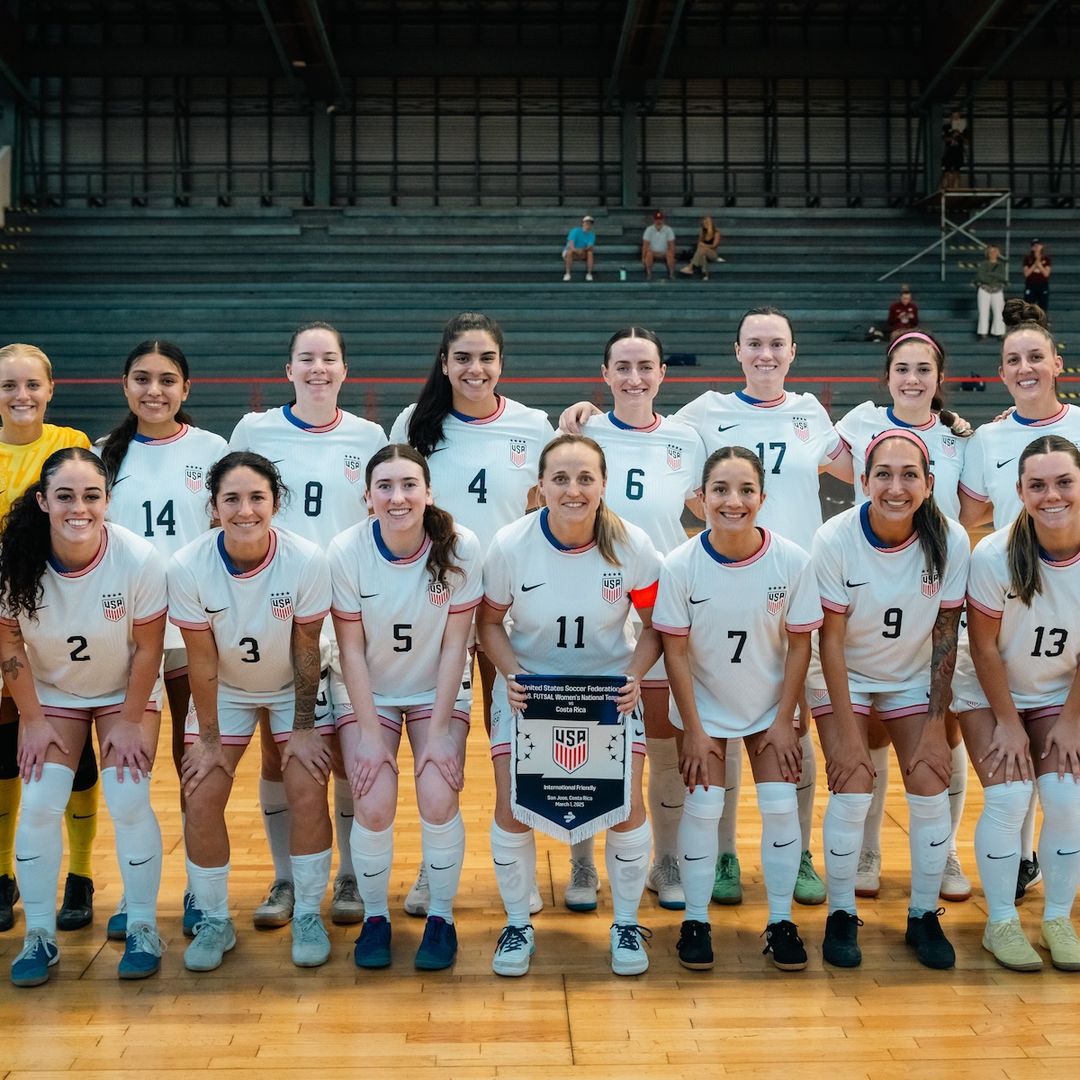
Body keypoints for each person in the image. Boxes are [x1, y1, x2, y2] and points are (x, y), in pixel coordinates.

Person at [561, 307, 846, 909]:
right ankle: (622, 861)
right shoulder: (685, 420)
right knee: (634, 733)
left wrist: (951, 424)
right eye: (622, 368)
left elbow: (869, 455)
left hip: (769, 591)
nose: (635, 378)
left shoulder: (780, 418)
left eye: (777, 344)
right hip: (634, 602)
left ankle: (763, 856)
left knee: (767, 730)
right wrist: (579, 413)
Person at [477, 434, 662, 977]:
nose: (573, 490)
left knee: (626, 807)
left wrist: (633, 677)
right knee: (513, 806)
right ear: (540, 486)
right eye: (560, 478)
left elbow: (655, 628)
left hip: (607, 695)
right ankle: (517, 924)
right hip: (529, 693)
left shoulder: (633, 546)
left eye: (585, 478)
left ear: (603, 485)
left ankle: (626, 923)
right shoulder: (511, 544)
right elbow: (489, 622)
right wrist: (511, 674)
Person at [390, 312, 554, 919]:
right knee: (437, 741)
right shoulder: (414, 423)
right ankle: (432, 869)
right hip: (436, 603)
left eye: (485, 357)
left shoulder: (532, 426)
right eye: (462, 357)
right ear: (444, 363)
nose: (474, 369)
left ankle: (520, 869)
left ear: (501, 364)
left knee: (516, 738)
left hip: (510, 605)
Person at [229, 322, 387, 933]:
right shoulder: (255, 430)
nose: (318, 368)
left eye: (329, 358)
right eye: (306, 358)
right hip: (277, 613)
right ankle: (286, 876)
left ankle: (348, 874)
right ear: (288, 369)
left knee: (344, 754)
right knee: (279, 754)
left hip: (346, 615)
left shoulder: (369, 436)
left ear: (344, 369)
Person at [0, 448, 167, 985]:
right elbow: (9, 641)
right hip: (54, 691)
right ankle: (39, 935)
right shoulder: (14, 560)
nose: (79, 508)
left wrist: (130, 720)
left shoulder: (138, 559)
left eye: (91, 496)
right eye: (65, 496)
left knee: (128, 796)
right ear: (42, 501)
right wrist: (31, 718)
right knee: (40, 802)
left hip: (124, 689)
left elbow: (149, 647)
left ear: (107, 501)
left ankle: (142, 925)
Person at [654, 447, 823, 972]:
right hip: (704, 707)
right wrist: (694, 729)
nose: (734, 500)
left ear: (762, 498)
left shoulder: (792, 561)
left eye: (746, 490)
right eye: (721, 490)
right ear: (700, 498)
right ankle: (695, 920)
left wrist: (785, 718)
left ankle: (780, 921)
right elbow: (674, 653)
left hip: (768, 706)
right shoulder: (680, 565)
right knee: (704, 807)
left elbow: (800, 645)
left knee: (780, 804)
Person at [810, 429, 969, 970]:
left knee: (930, 779)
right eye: (883, 474)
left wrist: (936, 727)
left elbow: (946, 635)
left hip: (910, 676)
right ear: (863, 481)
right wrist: (847, 736)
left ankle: (923, 915)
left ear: (929, 484)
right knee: (853, 782)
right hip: (845, 674)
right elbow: (830, 641)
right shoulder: (835, 538)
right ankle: (840, 912)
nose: (895, 487)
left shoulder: (951, 539)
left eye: (909, 476)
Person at [172, 452, 334, 972]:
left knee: (307, 788)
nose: (245, 510)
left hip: (292, 687)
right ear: (214, 507)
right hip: (226, 689)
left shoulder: (306, 559)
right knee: (200, 794)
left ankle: (307, 913)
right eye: (232, 499)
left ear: (276, 502)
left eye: (257, 497)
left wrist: (304, 728)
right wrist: (209, 739)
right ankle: (215, 920)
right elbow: (200, 660)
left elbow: (307, 647)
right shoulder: (187, 566)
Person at [329, 445, 483, 972]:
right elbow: (350, 650)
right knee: (373, 802)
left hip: (435, 689)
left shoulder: (460, 548)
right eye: (385, 487)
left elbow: (456, 645)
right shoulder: (346, 551)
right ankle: (375, 918)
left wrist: (439, 731)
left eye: (409, 485)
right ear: (367, 497)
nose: (398, 497)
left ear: (429, 492)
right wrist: (370, 736)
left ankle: (441, 918)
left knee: (438, 796)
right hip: (368, 691)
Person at [835, 330, 974, 905]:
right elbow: (795, 452)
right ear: (887, 375)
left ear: (939, 379)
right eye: (902, 369)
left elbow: (976, 507)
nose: (912, 379)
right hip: (872, 589)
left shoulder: (961, 437)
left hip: (935, 587)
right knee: (872, 730)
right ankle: (867, 848)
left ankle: (945, 849)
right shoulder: (860, 423)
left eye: (923, 369)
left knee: (946, 731)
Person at [96, 339, 227, 941]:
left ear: (186, 389)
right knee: (134, 769)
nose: (155, 390)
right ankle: (136, 891)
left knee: (193, 761)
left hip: (197, 628)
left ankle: (200, 889)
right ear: (125, 385)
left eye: (167, 380)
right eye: (143, 379)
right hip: (131, 634)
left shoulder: (212, 450)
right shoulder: (100, 455)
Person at [575, 328, 706, 913]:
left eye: (645, 366)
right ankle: (581, 861)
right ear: (604, 374)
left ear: (661, 374)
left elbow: (710, 508)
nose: (634, 378)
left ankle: (667, 858)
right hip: (590, 605)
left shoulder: (686, 439)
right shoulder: (582, 434)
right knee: (586, 737)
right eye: (622, 367)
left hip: (659, 606)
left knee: (662, 741)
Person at [960, 300, 1080, 898]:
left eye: (1036, 356)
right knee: (1015, 772)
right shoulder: (988, 438)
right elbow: (970, 516)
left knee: (1062, 772)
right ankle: (1025, 857)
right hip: (1011, 598)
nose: (1025, 367)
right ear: (1002, 372)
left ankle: (1052, 862)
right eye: (1014, 360)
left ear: (1058, 364)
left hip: (1070, 598)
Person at [954, 435, 1080, 972]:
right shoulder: (994, 554)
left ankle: (1057, 919)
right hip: (987, 689)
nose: (1052, 495)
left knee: (1068, 798)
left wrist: (1071, 722)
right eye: (1038, 485)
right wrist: (1008, 723)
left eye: (1064, 482)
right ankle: (1001, 922)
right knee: (1009, 797)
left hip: (1056, 689)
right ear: (1020, 492)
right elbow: (983, 647)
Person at [0, 344, 100, 937]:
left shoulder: (70, 443)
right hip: (4, 616)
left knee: (69, 746)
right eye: (9, 385)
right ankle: (2, 874)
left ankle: (80, 875)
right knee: (5, 752)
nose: (22, 396)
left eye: (32, 385)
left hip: (52, 617)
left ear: (51, 389)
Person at [975, 244, 1008, 340]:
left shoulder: (1001, 265)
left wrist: (991, 274)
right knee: (983, 311)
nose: (993, 254)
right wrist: (994, 277)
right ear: (988, 253)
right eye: (991, 252)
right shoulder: (983, 264)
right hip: (984, 289)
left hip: (997, 290)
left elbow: (1003, 277)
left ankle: (999, 332)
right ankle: (983, 332)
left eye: (995, 251)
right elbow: (981, 277)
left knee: (999, 311)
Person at [678, 215, 722, 281]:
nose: (705, 225)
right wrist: (701, 245)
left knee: (702, 249)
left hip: (712, 254)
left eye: (706, 223)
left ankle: (690, 267)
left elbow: (714, 245)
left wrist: (704, 245)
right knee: (703, 256)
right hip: (703, 253)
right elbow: (699, 244)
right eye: (703, 224)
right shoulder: (702, 232)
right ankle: (705, 274)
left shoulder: (716, 233)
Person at [641, 210, 675, 281]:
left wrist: (673, 256)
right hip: (652, 252)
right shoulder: (649, 229)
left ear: (663, 220)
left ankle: (671, 274)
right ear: (654, 220)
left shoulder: (668, 229)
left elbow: (672, 245)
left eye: (660, 219)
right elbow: (645, 244)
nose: (658, 221)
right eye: (657, 219)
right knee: (649, 254)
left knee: (670, 254)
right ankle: (649, 274)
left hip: (664, 252)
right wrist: (643, 257)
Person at [562, 214, 596, 282]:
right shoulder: (575, 231)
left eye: (590, 223)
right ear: (583, 223)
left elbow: (589, 246)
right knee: (569, 251)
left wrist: (582, 250)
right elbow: (570, 245)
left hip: (582, 252)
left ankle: (589, 274)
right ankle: (567, 274)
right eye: (586, 222)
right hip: (571, 251)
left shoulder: (592, 235)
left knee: (590, 253)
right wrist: (576, 250)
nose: (588, 224)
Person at [1022, 239, 1052, 312]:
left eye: (1038, 245)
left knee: (1043, 305)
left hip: (1042, 284)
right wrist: (1035, 263)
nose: (1037, 248)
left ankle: (1042, 318)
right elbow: (1026, 274)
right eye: (1035, 246)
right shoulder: (1027, 259)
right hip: (1031, 284)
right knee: (1028, 305)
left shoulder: (1046, 259)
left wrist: (1039, 264)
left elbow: (1046, 274)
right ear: (1032, 248)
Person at [941, 111, 967, 190]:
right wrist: (953, 136)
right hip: (948, 153)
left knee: (957, 172)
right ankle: (946, 188)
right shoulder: (946, 127)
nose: (956, 118)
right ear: (951, 118)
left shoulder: (964, 128)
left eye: (957, 117)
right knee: (947, 172)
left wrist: (960, 135)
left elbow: (968, 141)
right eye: (954, 116)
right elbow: (944, 139)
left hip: (958, 153)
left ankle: (956, 189)